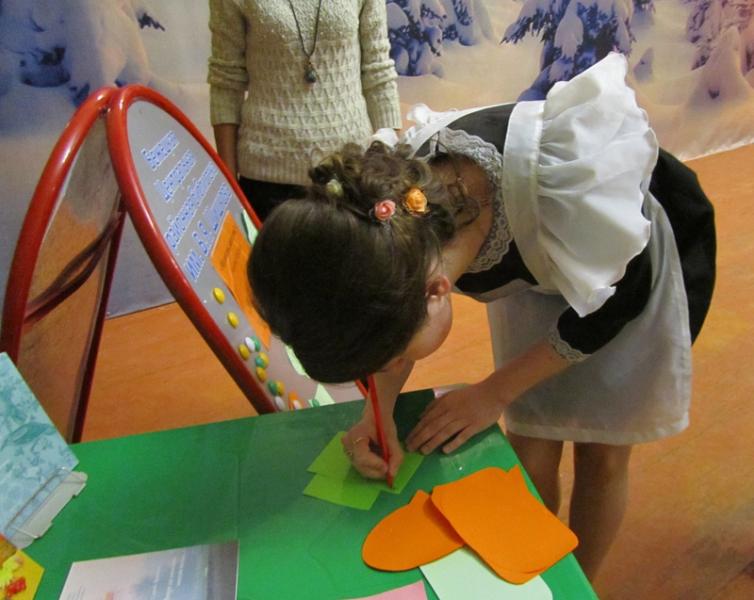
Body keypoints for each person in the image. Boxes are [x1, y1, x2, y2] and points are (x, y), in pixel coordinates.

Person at [248, 53, 716, 580]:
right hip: (537, 264)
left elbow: (615, 303)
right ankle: (537, 570)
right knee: (532, 433)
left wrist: (495, 390)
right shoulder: (391, 236)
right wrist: (374, 417)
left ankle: (580, 582)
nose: (393, 366)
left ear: (437, 291)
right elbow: (389, 315)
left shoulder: (562, 195)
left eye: (395, 357)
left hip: (625, 265)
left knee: (601, 450)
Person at [207, 0, 402, 221]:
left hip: (353, 176)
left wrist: (393, 171)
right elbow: (226, 80)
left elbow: (378, 72)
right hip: (266, 181)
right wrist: (228, 189)